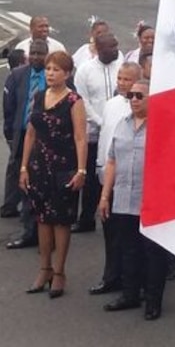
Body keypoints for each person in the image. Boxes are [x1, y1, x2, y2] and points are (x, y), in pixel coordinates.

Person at [98, 80, 169, 320]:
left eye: (140, 95)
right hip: (124, 199)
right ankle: (130, 294)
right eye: (131, 95)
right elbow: (112, 161)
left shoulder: (162, 127)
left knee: (153, 253)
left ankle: (153, 300)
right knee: (128, 250)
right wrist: (105, 195)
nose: (135, 99)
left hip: (151, 201)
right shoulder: (122, 124)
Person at [20, 51, 87, 299]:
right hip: (39, 167)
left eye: (56, 69)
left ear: (67, 74)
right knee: (42, 218)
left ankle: (59, 272)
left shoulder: (74, 101)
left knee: (61, 220)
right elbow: (30, 134)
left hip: (64, 167)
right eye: (48, 69)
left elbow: (81, 137)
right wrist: (24, 167)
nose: (50, 73)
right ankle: (44, 268)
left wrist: (81, 170)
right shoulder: (38, 97)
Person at [89, 62, 141, 295]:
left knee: (130, 237)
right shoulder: (111, 105)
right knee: (110, 232)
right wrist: (100, 165)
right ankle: (111, 276)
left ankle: (135, 282)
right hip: (109, 175)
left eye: (127, 79)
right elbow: (105, 138)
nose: (121, 83)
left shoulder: (139, 107)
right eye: (119, 78)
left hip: (132, 180)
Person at [73, 33, 122, 233]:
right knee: (93, 179)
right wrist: (101, 121)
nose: (116, 49)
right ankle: (86, 219)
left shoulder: (120, 65)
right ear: (99, 49)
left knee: (116, 175)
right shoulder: (85, 71)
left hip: (118, 131)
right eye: (111, 46)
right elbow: (82, 100)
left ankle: (115, 216)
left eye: (116, 45)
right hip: (94, 132)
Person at [2, 40, 49, 249]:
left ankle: (46, 234)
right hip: (22, 137)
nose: (37, 57)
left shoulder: (55, 75)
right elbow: (9, 107)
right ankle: (30, 231)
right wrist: (10, 135)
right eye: (34, 53)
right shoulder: (17, 75)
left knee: (45, 186)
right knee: (25, 182)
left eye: (41, 53)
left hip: (47, 140)